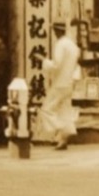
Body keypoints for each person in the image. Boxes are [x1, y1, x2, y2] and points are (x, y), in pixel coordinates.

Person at [33, 21, 82, 151]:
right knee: (64, 111)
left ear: (57, 31)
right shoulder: (72, 45)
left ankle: (64, 129)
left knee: (46, 110)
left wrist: (43, 60)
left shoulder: (60, 44)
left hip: (60, 83)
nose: (54, 33)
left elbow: (56, 65)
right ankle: (63, 139)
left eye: (55, 31)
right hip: (69, 83)